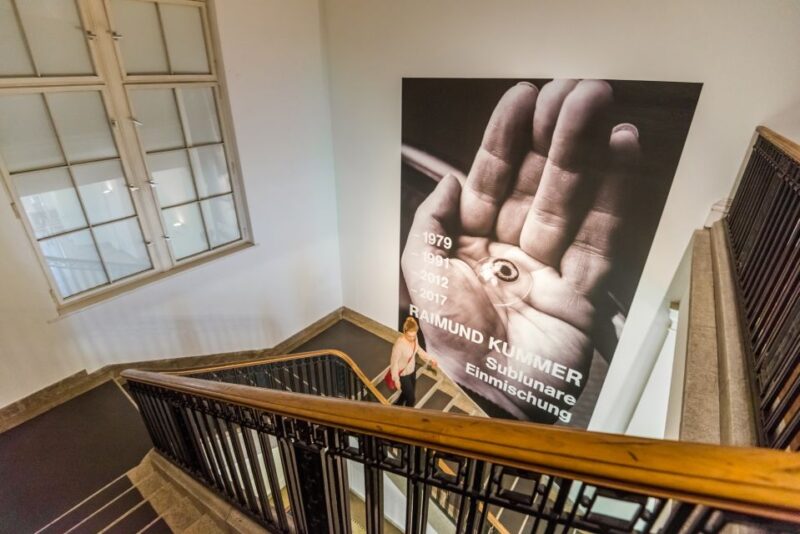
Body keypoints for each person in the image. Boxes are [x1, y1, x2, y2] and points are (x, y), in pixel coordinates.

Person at [391, 317, 438, 407]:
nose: (412, 338)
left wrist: (430, 359)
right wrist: (396, 379)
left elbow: (419, 350)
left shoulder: (414, 338)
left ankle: (398, 404)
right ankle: (409, 414)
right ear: (404, 331)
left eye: (414, 335)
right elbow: (394, 363)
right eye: (409, 336)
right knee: (411, 398)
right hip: (403, 374)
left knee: (407, 392)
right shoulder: (399, 345)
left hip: (412, 371)